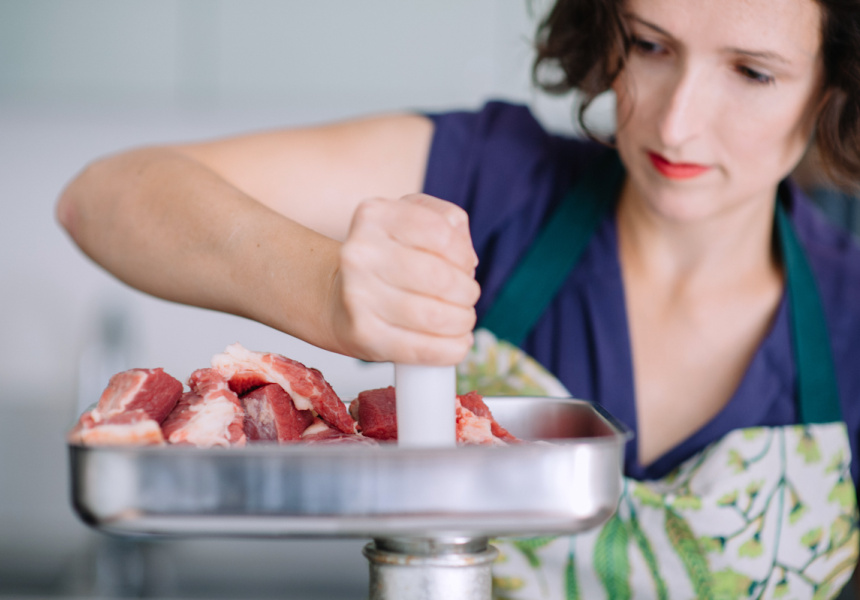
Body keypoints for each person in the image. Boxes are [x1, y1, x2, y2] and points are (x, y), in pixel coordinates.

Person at [57, 0, 860, 597]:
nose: (678, 123)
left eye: (752, 72)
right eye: (650, 45)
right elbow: (102, 199)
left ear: (834, 82)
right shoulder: (495, 181)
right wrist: (322, 286)